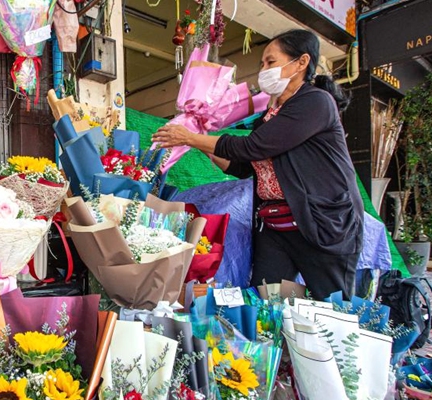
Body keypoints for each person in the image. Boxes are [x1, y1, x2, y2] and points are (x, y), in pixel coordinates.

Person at [152, 29, 363, 300]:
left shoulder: (315, 103)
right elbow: (244, 165)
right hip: (275, 229)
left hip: (321, 226)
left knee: (332, 308)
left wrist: (191, 137)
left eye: (271, 62)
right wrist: (198, 138)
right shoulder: (273, 115)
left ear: (301, 63)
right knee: (265, 302)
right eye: (262, 63)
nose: (264, 69)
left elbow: (253, 147)